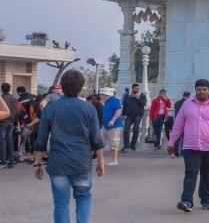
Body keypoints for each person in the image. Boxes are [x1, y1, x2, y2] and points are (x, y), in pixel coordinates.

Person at [32, 70, 104, 223]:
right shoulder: (89, 109)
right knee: (84, 197)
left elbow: (41, 140)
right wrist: (101, 161)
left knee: (61, 204)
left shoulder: (51, 109)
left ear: (62, 87)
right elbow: (96, 139)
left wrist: (37, 163)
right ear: (81, 87)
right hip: (82, 162)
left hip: (58, 162)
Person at [167, 78, 209, 212]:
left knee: (207, 174)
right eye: (199, 89)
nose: (201, 92)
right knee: (191, 173)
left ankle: (206, 200)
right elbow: (178, 125)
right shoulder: (187, 105)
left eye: (204, 89)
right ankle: (186, 201)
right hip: (190, 146)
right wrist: (171, 142)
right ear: (195, 90)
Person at [120, 83, 146, 153]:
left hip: (138, 115)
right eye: (136, 88)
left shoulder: (142, 95)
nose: (137, 90)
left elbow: (143, 104)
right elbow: (125, 105)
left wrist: (138, 98)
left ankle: (132, 145)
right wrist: (123, 114)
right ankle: (126, 146)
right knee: (125, 130)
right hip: (129, 115)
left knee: (135, 130)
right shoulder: (127, 95)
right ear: (133, 88)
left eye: (138, 88)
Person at [99, 88, 122, 167]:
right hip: (105, 126)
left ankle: (114, 160)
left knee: (113, 144)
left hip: (114, 126)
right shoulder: (106, 102)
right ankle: (98, 157)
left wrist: (112, 120)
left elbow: (118, 110)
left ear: (105, 95)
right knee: (99, 141)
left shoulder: (114, 100)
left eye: (101, 94)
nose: (100, 96)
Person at [1, 82, 18, 168]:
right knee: (10, 141)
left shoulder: (2, 99)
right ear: (10, 89)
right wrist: (15, 122)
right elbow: (16, 111)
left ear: (1, 89)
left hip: (2, 122)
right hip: (11, 122)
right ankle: (12, 160)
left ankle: (3, 161)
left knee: (2, 142)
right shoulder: (14, 98)